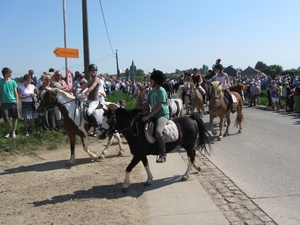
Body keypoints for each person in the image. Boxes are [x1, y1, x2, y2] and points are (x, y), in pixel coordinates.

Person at [141, 70, 169, 163]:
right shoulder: (151, 92)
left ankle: (163, 154)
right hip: (154, 115)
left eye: (151, 80)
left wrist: (148, 116)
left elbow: (158, 107)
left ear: (156, 81)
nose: (150, 82)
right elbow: (146, 105)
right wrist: (140, 112)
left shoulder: (161, 91)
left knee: (158, 132)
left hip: (162, 115)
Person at [0, 67, 19, 138]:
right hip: (4, 103)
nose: (10, 73)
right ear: (5, 73)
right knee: (6, 119)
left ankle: (13, 132)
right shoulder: (0, 82)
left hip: (13, 102)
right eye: (9, 72)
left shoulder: (13, 81)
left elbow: (15, 92)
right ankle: (7, 132)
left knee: (15, 118)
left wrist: (17, 101)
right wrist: (0, 101)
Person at [84, 64, 101, 136]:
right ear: (89, 72)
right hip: (88, 100)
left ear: (96, 71)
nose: (93, 72)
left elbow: (92, 88)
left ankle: (96, 127)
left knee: (89, 111)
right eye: (92, 70)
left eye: (94, 70)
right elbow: (83, 87)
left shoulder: (96, 79)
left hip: (94, 101)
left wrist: (84, 93)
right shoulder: (90, 80)